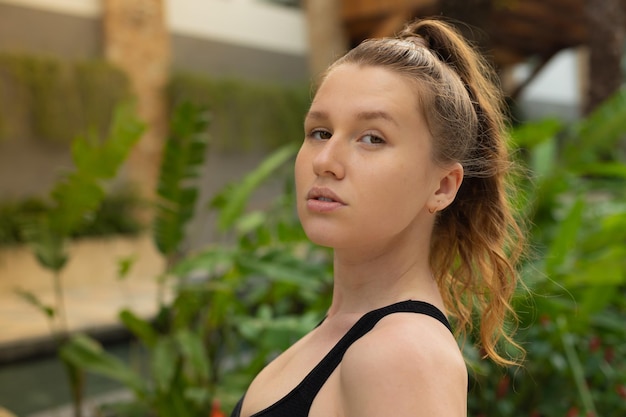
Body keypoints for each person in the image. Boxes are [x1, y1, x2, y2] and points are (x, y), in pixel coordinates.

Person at [230, 18, 525, 417]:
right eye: (319, 132)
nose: (326, 161)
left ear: (442, 187)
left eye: (372, 138)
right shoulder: (349, 333)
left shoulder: (402, 355)